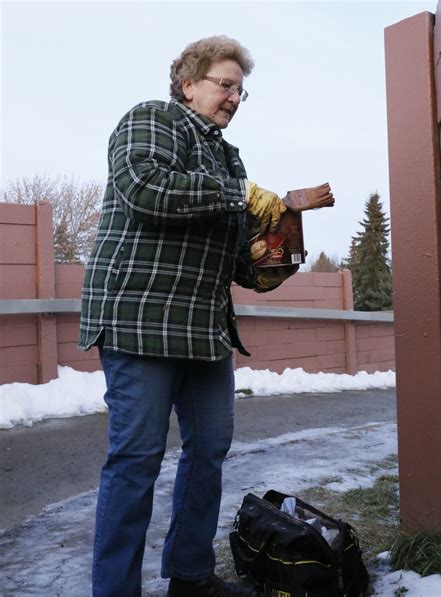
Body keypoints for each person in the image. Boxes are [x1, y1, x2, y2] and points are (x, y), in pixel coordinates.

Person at [79, 35, 298, 597]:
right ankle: (115, 590)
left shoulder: (228, 157)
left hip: (203, 330)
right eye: (225, 85)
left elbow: (240, 261)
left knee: (209, 451)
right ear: (188, 85)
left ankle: (191, 576)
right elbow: (146, 189)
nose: (233, 98)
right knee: (137, 459)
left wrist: (280, 243)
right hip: (140, 318)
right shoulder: (153, 119)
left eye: (240, 91)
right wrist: (246, 197)